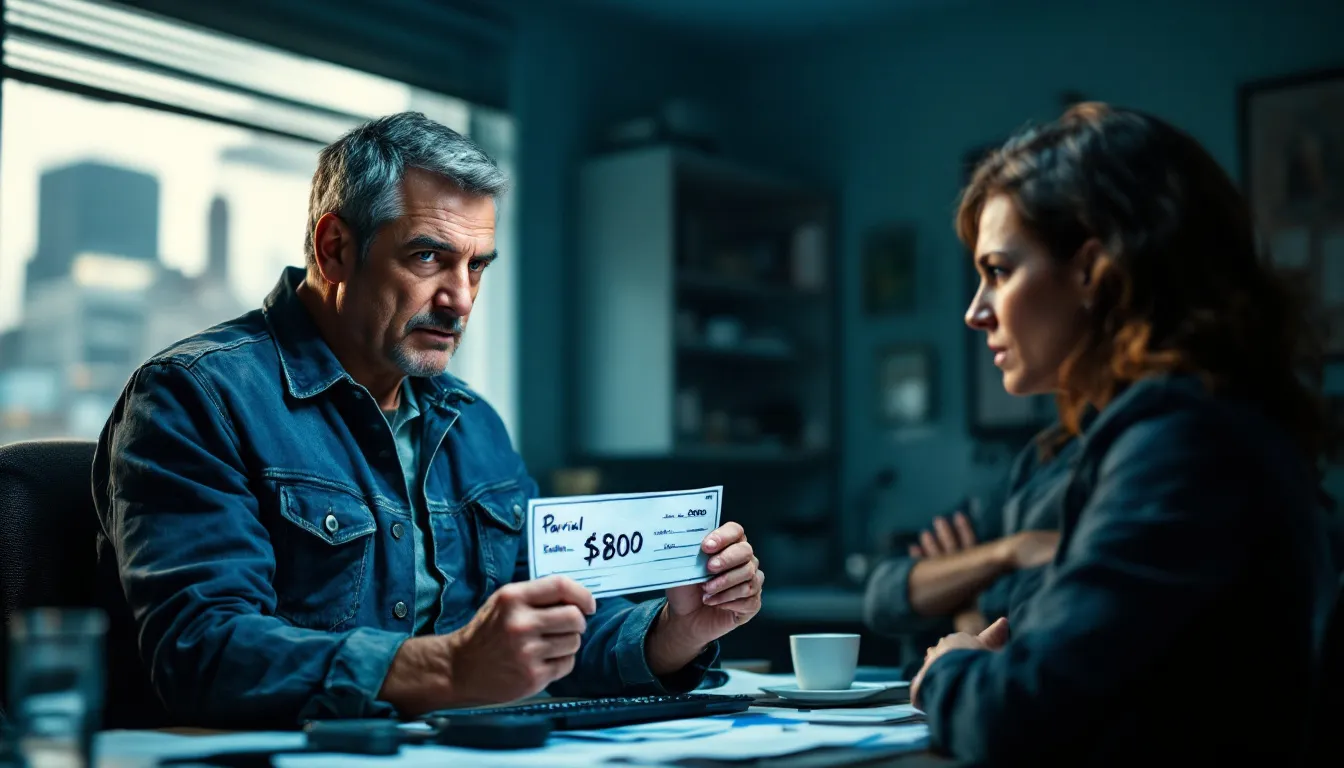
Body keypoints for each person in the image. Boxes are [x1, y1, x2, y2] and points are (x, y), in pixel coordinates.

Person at [91, 112, 764, 728]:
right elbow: (202, 651)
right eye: (428, 257)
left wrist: (676, 632)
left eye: (477, 267)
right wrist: (452, 667)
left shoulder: (475, 426)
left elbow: (555, 630)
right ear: (334, 250)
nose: (460, 299)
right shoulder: (195, 396)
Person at [908, 103, 1337, 765]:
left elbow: (1017, 715)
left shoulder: (1182, 444)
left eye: (998, 271)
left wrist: (948, 670)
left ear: (1093, 269)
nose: (975, 312)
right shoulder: (1195, 426)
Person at [862, 428, 1076, 677]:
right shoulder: (1042, 458)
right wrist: (1011, 550)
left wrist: (963, 593)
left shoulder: (1112, 473)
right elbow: (884, 595)